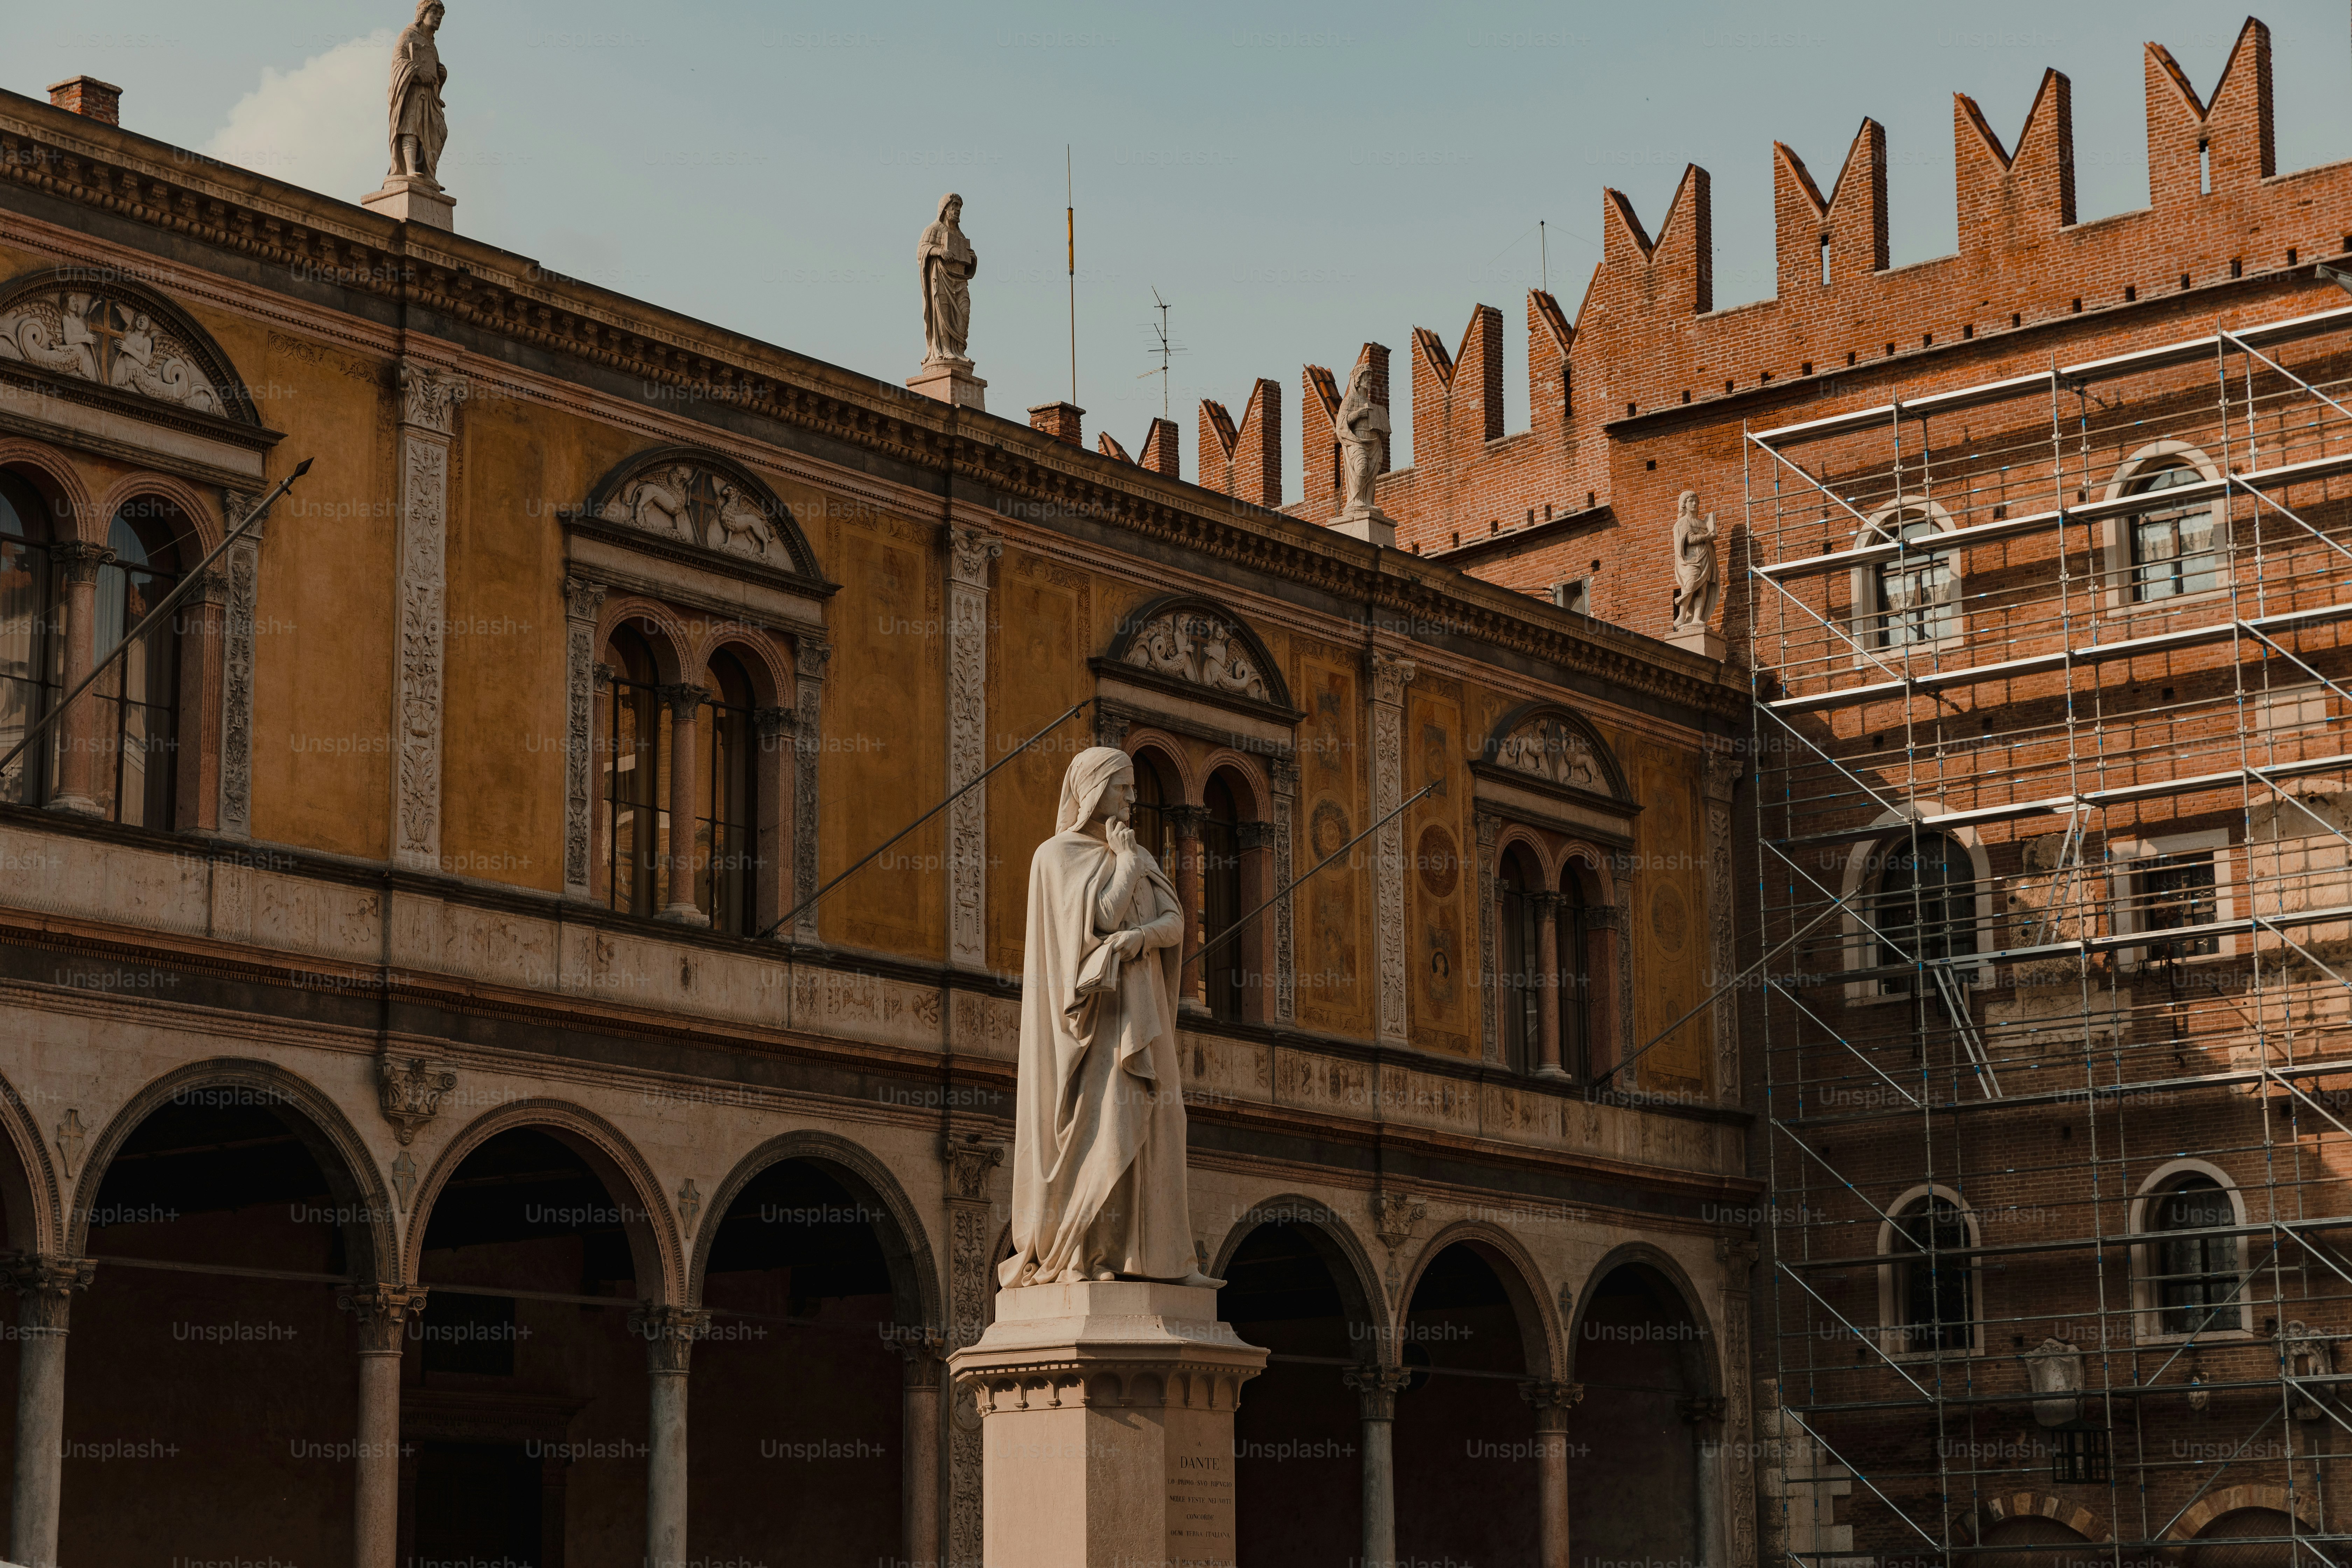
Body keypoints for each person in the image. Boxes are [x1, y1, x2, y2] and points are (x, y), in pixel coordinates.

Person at [998, 747, 1218, 1289]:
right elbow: (1098, 919)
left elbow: (1176, 923)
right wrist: (1126, 867)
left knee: (1163, 1124)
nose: (1131, 800)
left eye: (1134, 791)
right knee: (1110, 1127)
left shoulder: (1136, 855)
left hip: (1143, 1013)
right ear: (1094, 791)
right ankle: (1086, 1255)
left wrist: (1137, 937)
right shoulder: (1055, 858)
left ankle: (1165, 1261)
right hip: (1097, 1026)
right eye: (1122, 789)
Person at [918, 193, 978, 364]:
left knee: (964, 312)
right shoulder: (933, 230)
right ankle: (945, 350)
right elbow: (921, 250)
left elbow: (969, 269)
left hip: (959, 281)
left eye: (960, 207)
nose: (958, 210)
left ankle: (958, 350)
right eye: (955, 206)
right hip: (941, 278)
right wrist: (940, 251)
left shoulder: (960, 235)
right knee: (943, 314)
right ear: (945, 209)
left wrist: (973, 259)